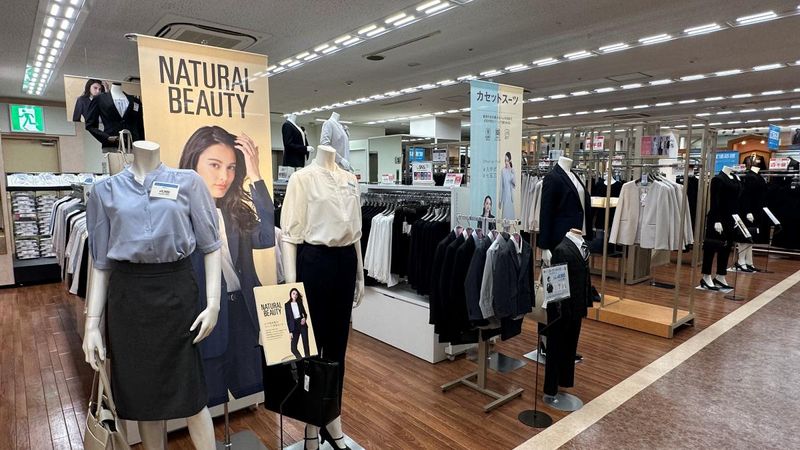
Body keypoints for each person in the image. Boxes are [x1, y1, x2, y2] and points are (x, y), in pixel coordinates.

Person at [179, 125, 276, 407]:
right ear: (193, 162)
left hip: (243, 313)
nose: (224, 176)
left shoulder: (235, 211)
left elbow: (267, 237)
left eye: (231, 167)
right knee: (211, 398)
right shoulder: (177, 213)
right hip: (204, 316)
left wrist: (255, 174)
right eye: (215, 165)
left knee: (252, 388)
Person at [285, 287, 310, 359]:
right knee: (293, 348)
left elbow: (304, 314)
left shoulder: (299, 302)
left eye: (296, 294)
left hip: (302, 324)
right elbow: (288, 319)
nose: (295, 295)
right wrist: (290, 331)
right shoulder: (287, 305)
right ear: (290, 294)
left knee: (306, 345)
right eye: (293, 293)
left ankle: (308, 360)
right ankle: (301, 360)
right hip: (294, 326)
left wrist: (304, 318)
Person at [500, 152, 516, 220]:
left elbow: (514, 184)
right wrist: (500, 200)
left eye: (507, 160)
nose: (506, 162)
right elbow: (501, 186)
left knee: (510, 218)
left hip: (510, 198)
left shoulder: (512, 170)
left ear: (510, 161)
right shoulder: (503, 171)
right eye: (505, 160)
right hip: (505, 196)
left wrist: (511, 173)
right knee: (505, 218)